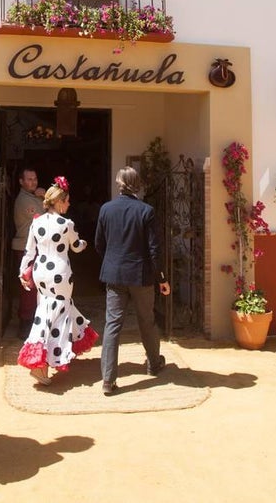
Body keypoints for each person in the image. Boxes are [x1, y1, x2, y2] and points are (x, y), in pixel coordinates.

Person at [94, 166, 171, 396]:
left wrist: (113, 262)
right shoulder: (146, 211)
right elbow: (154, 250)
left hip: (115, 275)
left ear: (119, 184)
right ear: (137, 185)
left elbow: (99, 244)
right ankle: (154, 363)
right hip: (141, 276)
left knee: (112, 325)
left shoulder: (106, 209)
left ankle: (108, 379)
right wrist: (161, 278)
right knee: (146, 320)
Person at [17, 176, 99, 386]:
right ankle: (44, 362)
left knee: (45, 311)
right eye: (67, 200)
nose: (69, 204)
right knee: (57, 315)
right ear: (59, 201)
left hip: (40, 272)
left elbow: (29, 251)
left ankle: (44, 360)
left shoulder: (37, 222)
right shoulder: (66, 224)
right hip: (60, 274)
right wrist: (84, 243)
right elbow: (76, 246)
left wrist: (22, 272)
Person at [10, 166, 46, 338]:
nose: (33, 182)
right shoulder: (24, 200)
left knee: (33, 288)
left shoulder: (31, 197)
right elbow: (45, 218)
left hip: (33, 247)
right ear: (21, 182)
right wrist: (46, 197)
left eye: (35, 179)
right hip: (27, 249)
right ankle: (25, 325)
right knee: (29, 288)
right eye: (29, 179)